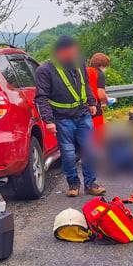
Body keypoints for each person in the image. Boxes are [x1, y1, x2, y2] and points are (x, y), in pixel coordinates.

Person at [35, 35, 106, 198]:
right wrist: (48, 120)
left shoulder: (78, 62)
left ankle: (90, 183)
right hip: (62, 118)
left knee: (89, 149)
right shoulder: (45, 70)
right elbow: (41, 97)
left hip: (83, 114)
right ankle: (73, 184)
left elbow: (85, 83)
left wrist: (91, 102)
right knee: (67, 153)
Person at [87, 53, 111, 143]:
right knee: (99, 133)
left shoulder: (85, 71)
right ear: (102, 65)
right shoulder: (99, 74)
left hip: (83, 106)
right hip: (95, 107)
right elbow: (100, 94)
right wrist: (106, 101)